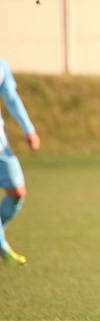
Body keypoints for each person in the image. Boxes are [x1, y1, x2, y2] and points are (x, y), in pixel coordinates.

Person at [0, 57, 40, 265]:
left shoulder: (1, 65)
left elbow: (11, 98)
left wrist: (29, 129)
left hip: (0, 146)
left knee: (17, 193)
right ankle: (3, 248)